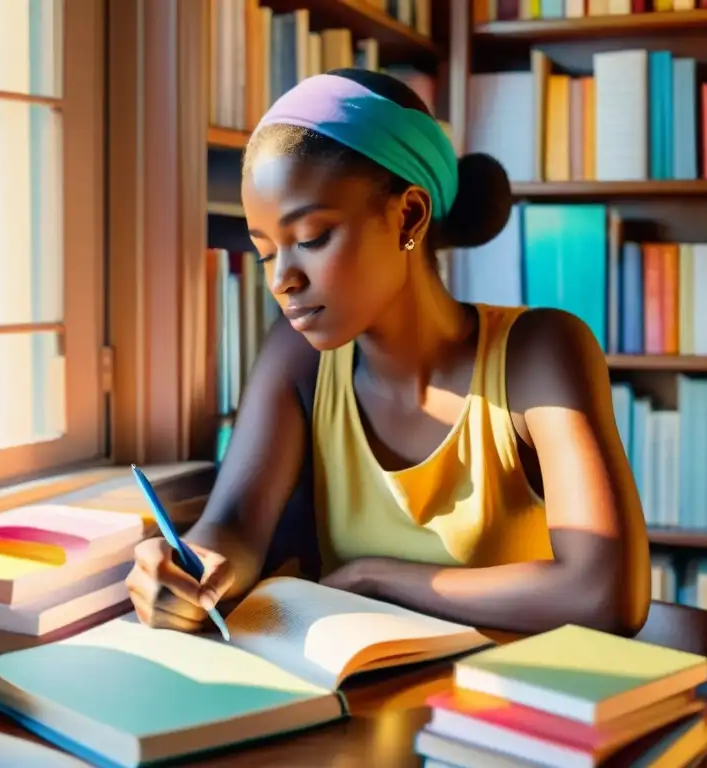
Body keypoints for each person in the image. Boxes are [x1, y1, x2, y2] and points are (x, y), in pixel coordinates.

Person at [125, 68, 651, 637]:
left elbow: (606, 592)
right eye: (265, 252)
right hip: (367, 711)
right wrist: (184, 569)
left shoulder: (539, 354)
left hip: (515, 713)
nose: (283, 280)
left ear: (409, 217)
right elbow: (233, 524)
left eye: (310, 239)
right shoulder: (297, 359)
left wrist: (380, 579)